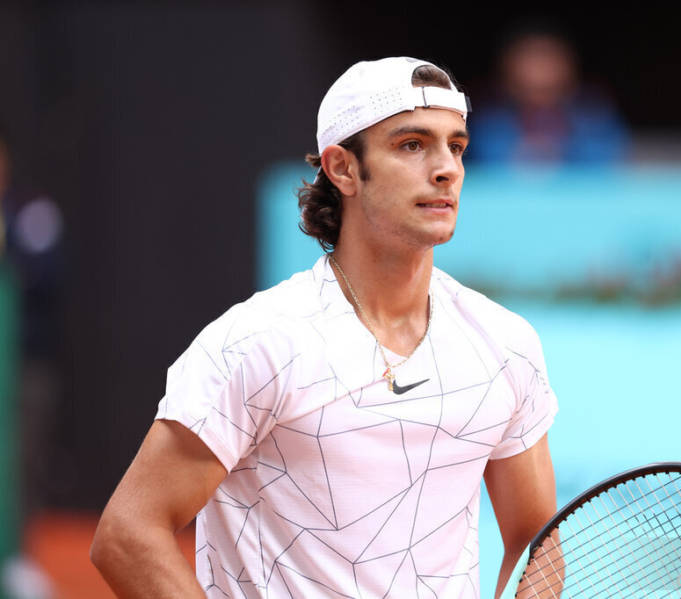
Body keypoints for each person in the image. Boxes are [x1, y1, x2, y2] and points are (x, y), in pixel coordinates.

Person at [91, 57, 559, 599]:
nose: (446, 169)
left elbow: (535, 540)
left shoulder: (505, 344)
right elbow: (128, 534)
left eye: (456, 147)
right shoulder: (259, 343)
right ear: (343, 169)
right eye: (412, 145)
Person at [467, 28, 628, 165]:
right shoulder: (489, 122)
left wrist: (560, 153)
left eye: (548, 57)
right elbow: (485, 159)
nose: (541, 69)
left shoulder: (594, 116)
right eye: (531, 58)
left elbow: (612, 156)